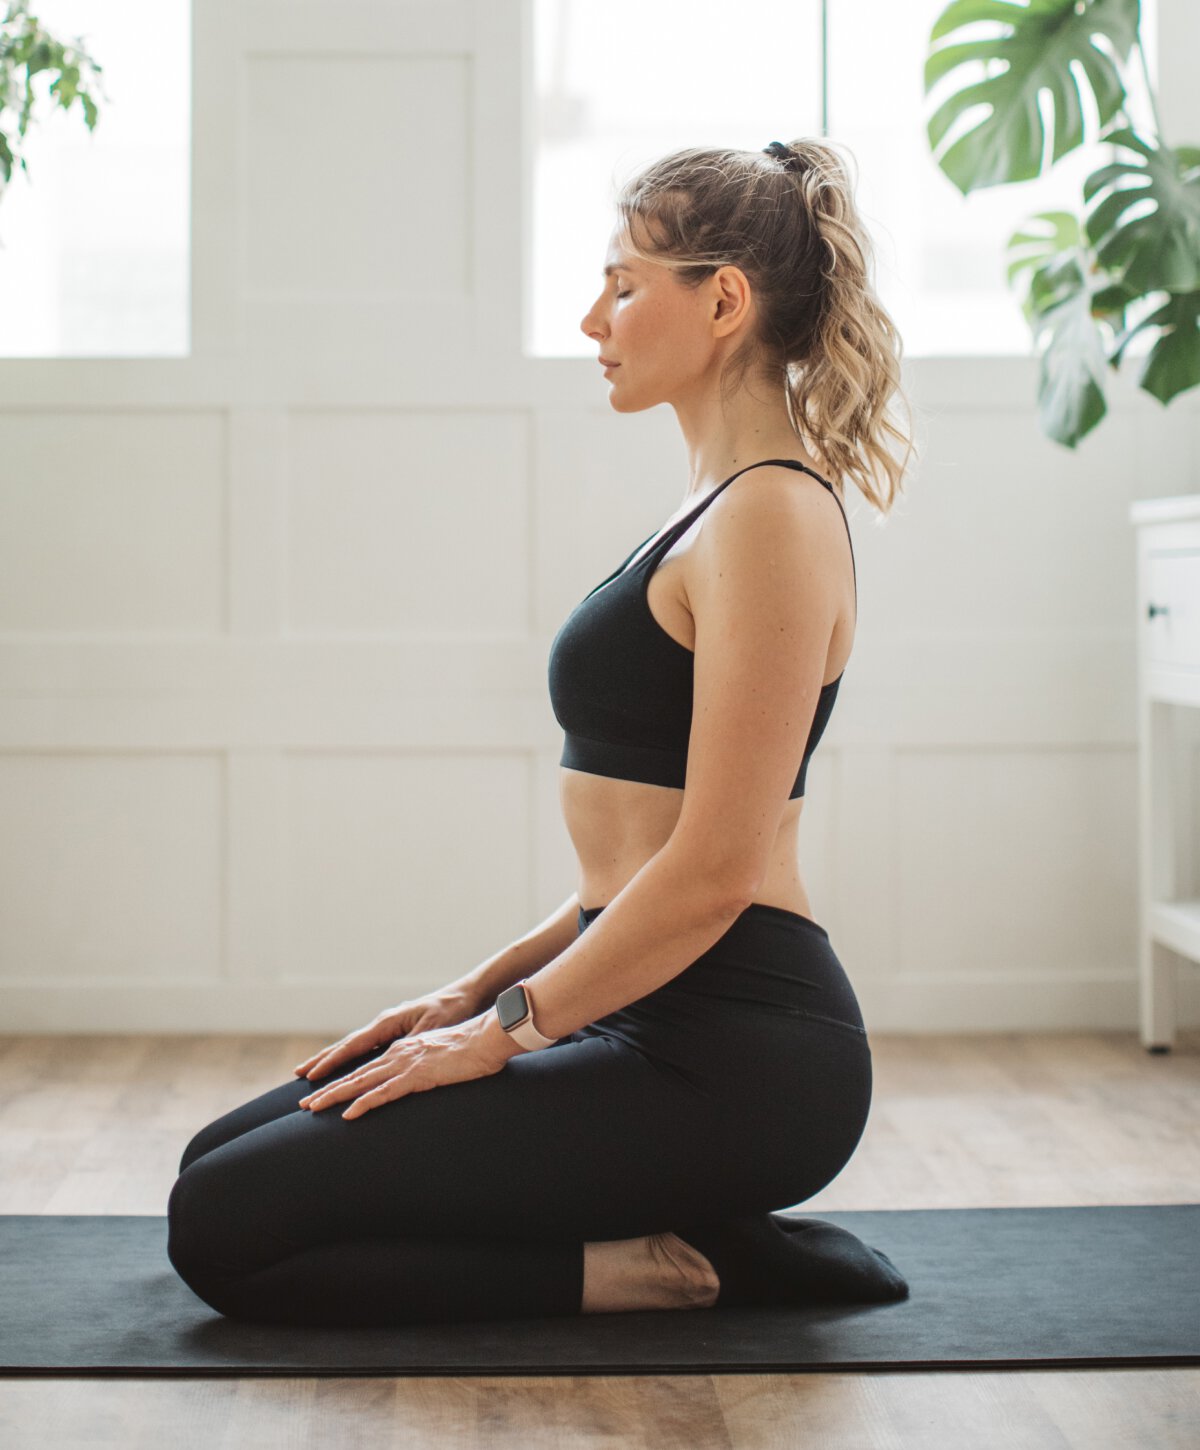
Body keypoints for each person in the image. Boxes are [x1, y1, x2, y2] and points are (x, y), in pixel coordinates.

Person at [167, 138, 917, 1327]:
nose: (591, 318)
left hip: (737, 1053)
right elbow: (627, 866)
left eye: (624, 284)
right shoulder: (711, 509)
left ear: (724, 300)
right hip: (623, 995)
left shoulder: (774, 516)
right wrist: (467, 995)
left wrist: (509, 1034)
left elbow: (715, 869)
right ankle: (665, 1225)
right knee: (217, 1161)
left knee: (227, 1231)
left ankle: (679, 1266)